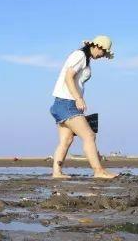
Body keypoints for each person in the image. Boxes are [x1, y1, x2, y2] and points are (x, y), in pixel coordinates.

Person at [49, 35, 118, 179]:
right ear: (97, 46)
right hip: (67, 103)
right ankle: (98, 171)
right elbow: (68, 77)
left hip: (60, 103)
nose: (103, 55)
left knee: (66, 140)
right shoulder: (80, 55)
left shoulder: (84, 58)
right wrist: (79, 98)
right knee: (89, 136)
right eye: (103, 52)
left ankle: (56, 172)